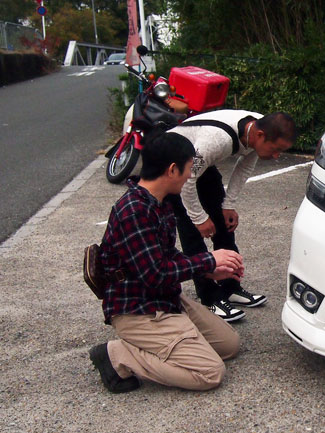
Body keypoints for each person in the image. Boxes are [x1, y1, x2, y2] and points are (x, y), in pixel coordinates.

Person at [89, 132, 245, 393]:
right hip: (138, 310)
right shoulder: (134, 211)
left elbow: (168, 255)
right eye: (188, 168)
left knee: (229, 345)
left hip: (165, 299)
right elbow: (155, 274)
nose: (190, 176)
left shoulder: (159, 203)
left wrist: (210, 271)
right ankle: (117, 355)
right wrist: (209, 260)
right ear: (173, 170)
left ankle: (176, 337)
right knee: (209, 373)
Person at [166, 110, 296, 322]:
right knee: (192, 233)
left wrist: (228, 205)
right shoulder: (216, 140)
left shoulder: (257, 131)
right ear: (261, 135)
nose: (276, 156)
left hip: (200, 163)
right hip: (175, 164)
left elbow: (243, 170)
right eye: (276, 150)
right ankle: (209, 297)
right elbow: (187, 182)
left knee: (224, 227)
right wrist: (199, 218)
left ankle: (230, 288)